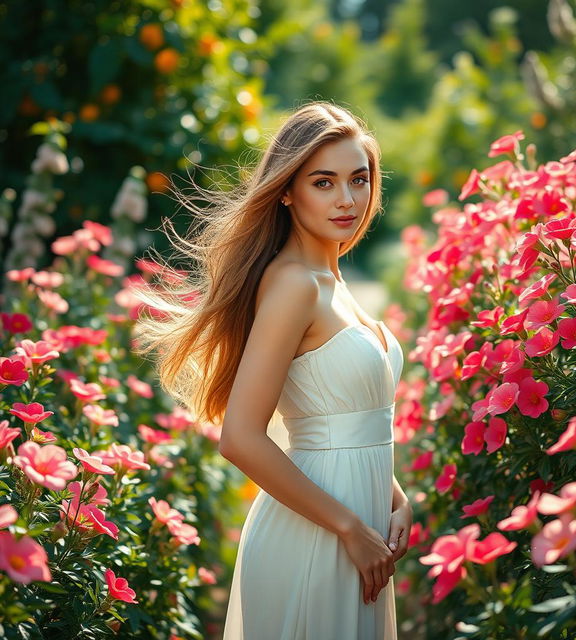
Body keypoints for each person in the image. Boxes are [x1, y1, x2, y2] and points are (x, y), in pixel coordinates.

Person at [134, 101, 412, 639]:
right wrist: (351, 528)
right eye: (324, 182)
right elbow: (239, 438)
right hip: (318, 532)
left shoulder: (332, 283)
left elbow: (343, 424)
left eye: (359, 179)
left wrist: (397, 500)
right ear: (287, 190)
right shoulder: (294, 285)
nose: (347, 199)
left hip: (361, 529)